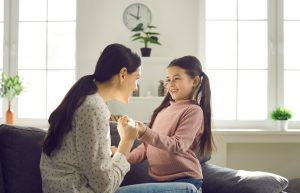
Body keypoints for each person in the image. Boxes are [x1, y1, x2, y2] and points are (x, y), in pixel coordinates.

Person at [40, 43, 198, 193]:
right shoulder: (94, 108)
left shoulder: (87, 101)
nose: (136, 86)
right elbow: (105, 185)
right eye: (136, 78)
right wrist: (126, 141)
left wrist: (117, 154)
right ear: (123, 74)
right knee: (189, 190)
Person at [127, 56, 215, 190]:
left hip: (184, 180)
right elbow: (147, 146)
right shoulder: (162, 111)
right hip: (156, 180)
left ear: (195, 81)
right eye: (168, 80)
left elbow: (178, 145)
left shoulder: (193, 111)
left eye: (177, 78)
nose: (171, 84)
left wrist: (145, 131)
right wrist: (124, 156)